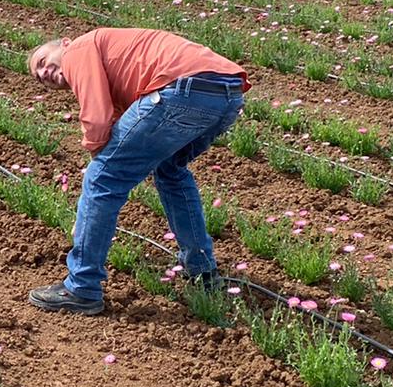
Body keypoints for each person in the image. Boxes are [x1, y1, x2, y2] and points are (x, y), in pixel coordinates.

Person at [26, 27, 249, 316]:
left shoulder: (79, 49)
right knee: (171, 172)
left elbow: (97, 118)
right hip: (226, 93)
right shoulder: (114, 64)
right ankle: (202, 273)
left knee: (102, 178)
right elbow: (126, 123)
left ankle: (81, 288)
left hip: (182, 88)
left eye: (43, 61)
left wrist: (101, 165)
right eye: (38, 77)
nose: (43, 73)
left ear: (64, 43)